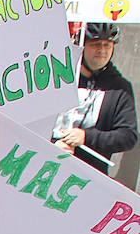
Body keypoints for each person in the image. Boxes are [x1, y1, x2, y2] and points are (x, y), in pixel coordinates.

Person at [54, 22, 138, 174]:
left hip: (91, 177)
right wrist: (51, 144)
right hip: (47, 167)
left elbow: (128, 136)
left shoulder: (119, 88)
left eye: (108, 45)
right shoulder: (59, 79)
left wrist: (86, 137)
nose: (102, 50)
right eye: (96, 44)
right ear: (82, 46)